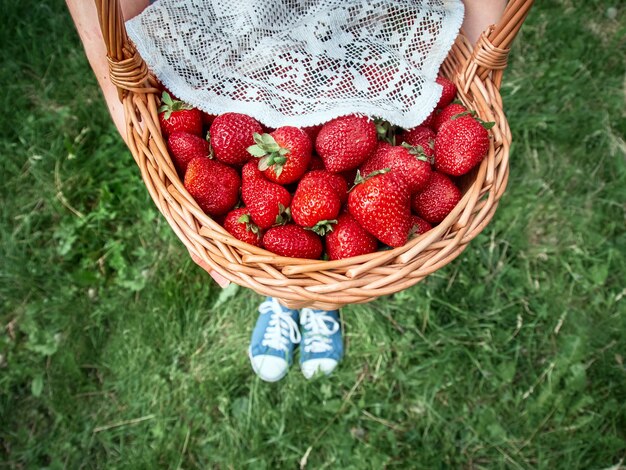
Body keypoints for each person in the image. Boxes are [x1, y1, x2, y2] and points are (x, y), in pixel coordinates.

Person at [66, 0, 506, 382]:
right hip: (228, 40)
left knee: (315, 249)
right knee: (287, 245)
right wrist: (123, 94)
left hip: (362, 37)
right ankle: (290, 296)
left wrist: (478, 62)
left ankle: (318, 299)